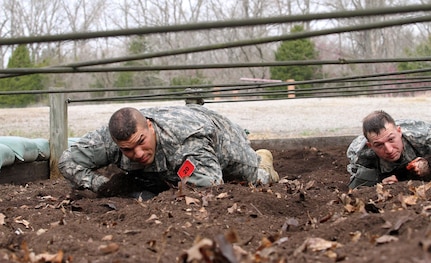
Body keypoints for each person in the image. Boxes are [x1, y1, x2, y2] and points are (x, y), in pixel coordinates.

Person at [58, 104, 279, 199]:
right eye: (128, 150)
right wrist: (103, 186)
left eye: (141, 142)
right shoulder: (109, 139)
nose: (138, 153)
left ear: (150, 127)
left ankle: (263, 160)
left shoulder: (186, 140)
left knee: (257, 180)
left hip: (223, 142)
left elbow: (208, 186)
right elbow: (67, 161)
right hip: (173, 156)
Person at [347, 110, 431, 189]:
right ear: (370, 145)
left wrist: (428, 164)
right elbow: (356, 188)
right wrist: (380, 182)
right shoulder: (360, 156)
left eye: (391, 139)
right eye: (379, 145)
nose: (389, 150)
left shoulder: (423, 136)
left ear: (399, 132)